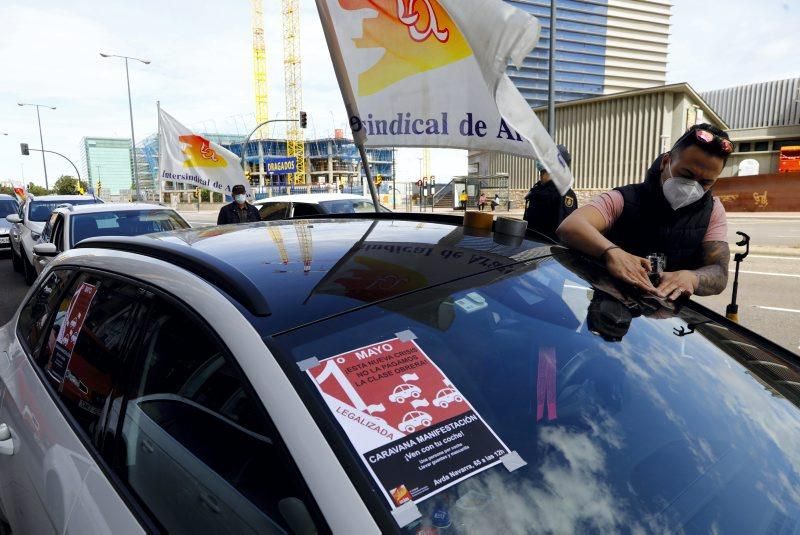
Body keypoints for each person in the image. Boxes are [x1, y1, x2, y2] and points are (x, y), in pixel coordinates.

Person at [557, 123, 732, 302]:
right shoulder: (624, 198)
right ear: (666, 162)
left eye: (705, 183)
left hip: (667, 320)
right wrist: (611, 252)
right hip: (613, 310)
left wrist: (692, 278)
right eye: (686, 175)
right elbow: (571, 226)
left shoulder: (712, 210)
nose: (692, 186)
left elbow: (719, 272)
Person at [523, 144, 578, 240]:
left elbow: (564, 231)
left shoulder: (563, 193)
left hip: (548, 250)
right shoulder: (537, 189)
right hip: (530, 245)